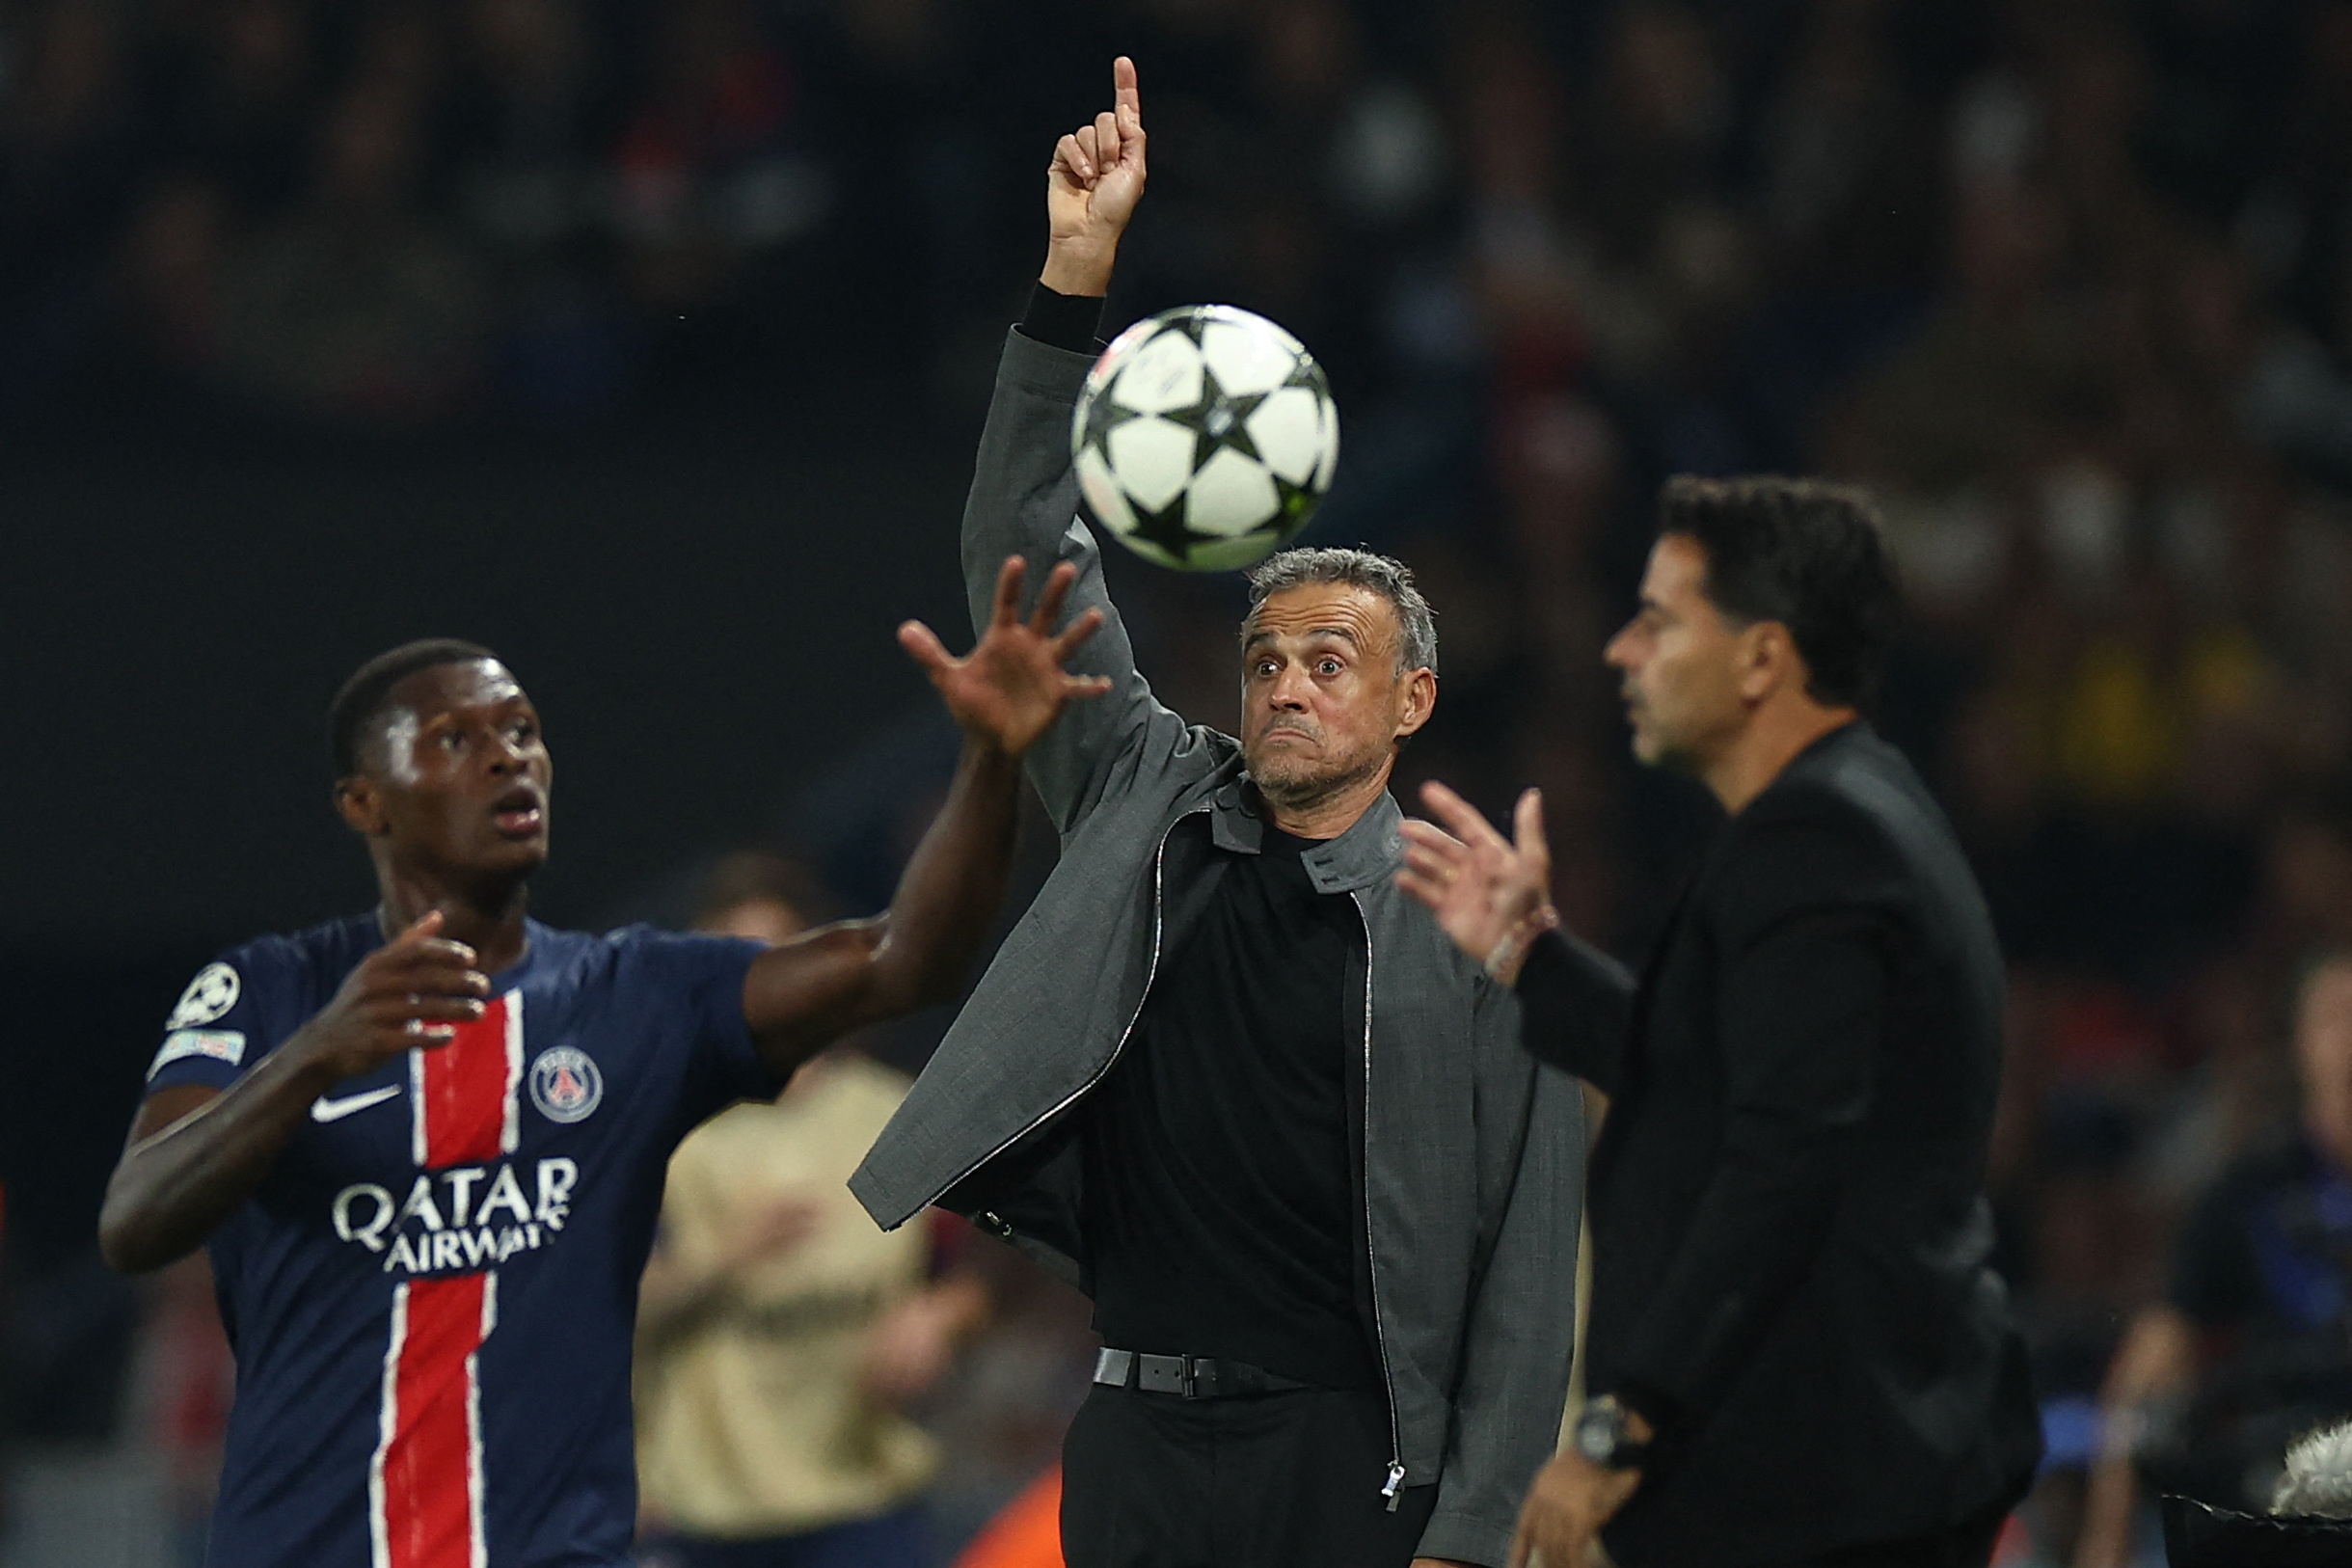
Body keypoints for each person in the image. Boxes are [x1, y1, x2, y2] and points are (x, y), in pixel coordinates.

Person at [849, 58, 1586, 1568]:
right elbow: (1020, 541)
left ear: (1410, 704)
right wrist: (1072, 277)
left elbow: (1525, 1259)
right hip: (1131, 1435)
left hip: (1354, 1453)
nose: (1286, 685)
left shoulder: (1470, 915)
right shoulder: (1143, 796)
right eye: (1263, 658)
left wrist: (1473, 1525)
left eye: (1332, 662)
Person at [95, 557, 1111, 1568]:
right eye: (458, 740)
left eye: (523, 734)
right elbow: (137, 1218)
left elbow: (904, 962)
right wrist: (313, 1059)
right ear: (366, 802)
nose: (509, 760)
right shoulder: (267, 993)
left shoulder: (636, 1000)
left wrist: (988, 758)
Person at [1397, 476, 2042, 1568]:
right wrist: (1529, 956)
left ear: (1761, 660)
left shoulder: (1819, 845)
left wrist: (1621, 1424)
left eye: (1658, 620)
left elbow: (1782, 1160)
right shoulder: (1844, 815)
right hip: (1842, 1474)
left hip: (1826, 1492)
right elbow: (1716, 1078)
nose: (1620, 650)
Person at [633, 854, 990, 1568]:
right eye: (728, 959)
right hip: (709, 1517)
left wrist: (939, 1320)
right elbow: (596, 1309)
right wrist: (722, 1259)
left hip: (866, 1506)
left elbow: (976, 1274)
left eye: (773, 955)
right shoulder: (657, 1130)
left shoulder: (894, 1116)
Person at [2073, 957, 2352, 1568]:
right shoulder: (2252, 1189)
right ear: (2301, 1042)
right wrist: (2106, 1538)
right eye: (2334, 1019)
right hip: (2282, 1472)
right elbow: (2152, 1360)